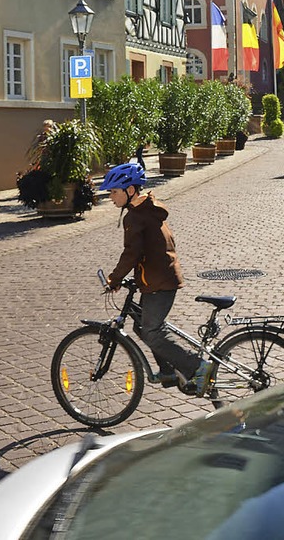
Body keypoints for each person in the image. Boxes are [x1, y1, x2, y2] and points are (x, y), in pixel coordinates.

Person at [99, 163, 213, 395]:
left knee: (152, 331)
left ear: (130, 190)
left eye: (114, 192)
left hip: (159, 282)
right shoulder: (148, 209)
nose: (110, 198)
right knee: (141, 325)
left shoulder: (135, 217)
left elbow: (131, 252)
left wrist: (115, 278)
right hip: (159, 277)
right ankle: (169, 370)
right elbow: (146, 249)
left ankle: (198, 366)